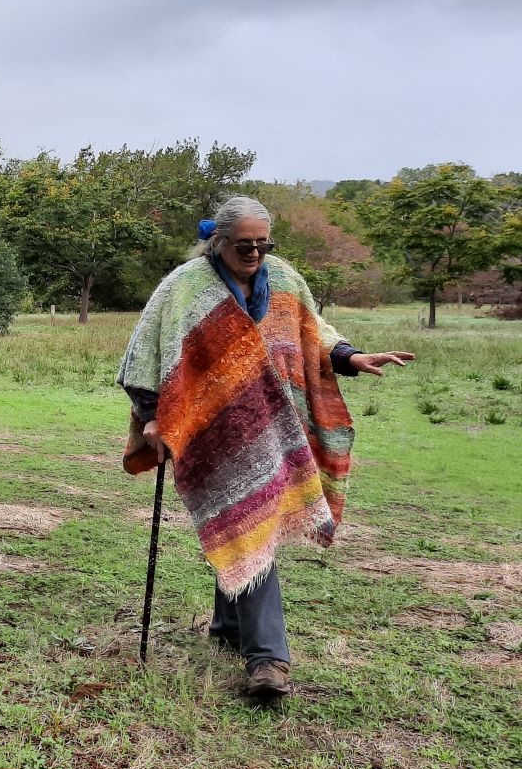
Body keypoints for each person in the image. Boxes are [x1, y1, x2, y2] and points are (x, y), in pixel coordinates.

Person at [117, 196, 413, 705]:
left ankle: (229, 627)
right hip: (212, 431)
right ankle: (268, 660)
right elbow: (146, 354)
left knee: (246, 521)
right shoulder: (186, 286)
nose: (254, 253)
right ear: (218, 240)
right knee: (247, 524)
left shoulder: (284, 279)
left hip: (279, 428)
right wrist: (150, 416)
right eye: (243, 245)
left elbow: (312, 331)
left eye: (263, 243)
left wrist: (350, 357)